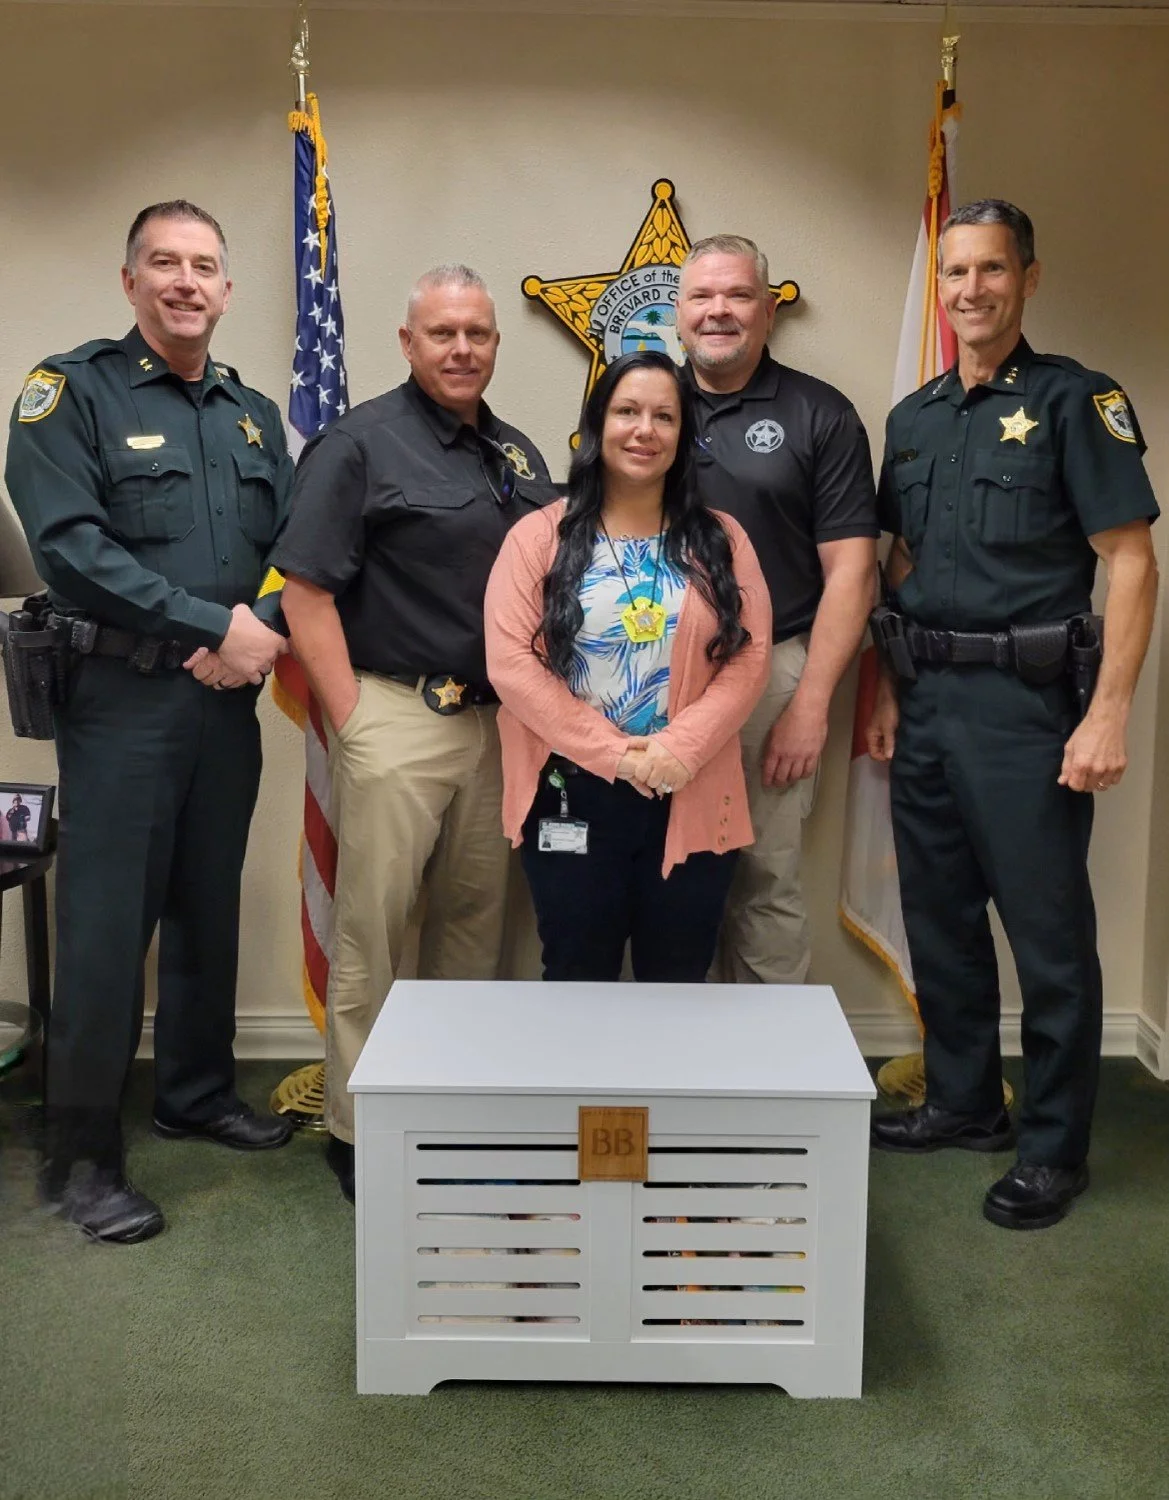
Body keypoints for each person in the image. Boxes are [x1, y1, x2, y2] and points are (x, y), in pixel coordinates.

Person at [866, 200, 1159, 1230]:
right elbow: (892, 559)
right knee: (940, 923)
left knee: (1044, 937)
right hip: (926, 698)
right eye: (953, 273)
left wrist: (1107, 714)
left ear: (1026, 278)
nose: (968, 291)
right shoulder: (913, 419)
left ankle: (1050, 1147)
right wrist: (886, 688)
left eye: (990, 270)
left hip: (1026, 708)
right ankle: (959, 1102)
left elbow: (1129, 560)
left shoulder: (1078, 401)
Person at [5, 200, 295, 1246]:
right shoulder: (67, 393)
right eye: (164, 264)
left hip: (223, 702)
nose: (186, 281)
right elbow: (70, 548)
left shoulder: (252, 413)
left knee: (204, 903)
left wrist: (249, 630)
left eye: (205, 265)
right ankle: (80, 1155)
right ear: (130, 281)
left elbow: (296, 545)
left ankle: (195, 1090)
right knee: (104, 929)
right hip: (122, 702)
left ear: (226, 288)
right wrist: (206, 626)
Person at [273, 264, 556, 1203]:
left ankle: (450, 1111)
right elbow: (306, 593)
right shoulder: (360, 445)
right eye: (442, 334)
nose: (462, 349)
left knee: (476, 930)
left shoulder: (516, 455)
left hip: (499, 725)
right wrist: (352, 720)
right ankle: (357, 1130)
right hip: (395, 714)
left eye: (477, 333)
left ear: (494, 343)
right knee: (374, 932)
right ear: (407, 342)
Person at [484, 350, 771, 981]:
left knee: (678, 979)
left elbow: (748, 659)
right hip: (573, 793)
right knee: (577, 975)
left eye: (664, 416)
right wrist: (617, 755)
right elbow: (511, 666)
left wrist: (676, 750)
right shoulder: (537, 538)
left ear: (682, 435)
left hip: (689, 782)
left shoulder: (722, 540)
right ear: (597, 424)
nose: (645, 429)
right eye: (628, 411)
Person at [675, 235, 878, 984]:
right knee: (666, 874)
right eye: (701, 296)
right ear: (678, 313)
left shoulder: (818, 413)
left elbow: (852, 570)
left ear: (767, 308)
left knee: (765, 876)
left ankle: (764, 1076)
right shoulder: (641, 404)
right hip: (656, 678)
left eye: (736, 296)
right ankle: (672, 1069)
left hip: (776, 670)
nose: (718, 311)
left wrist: (811, 704)